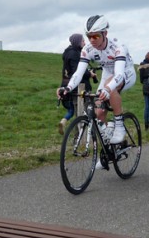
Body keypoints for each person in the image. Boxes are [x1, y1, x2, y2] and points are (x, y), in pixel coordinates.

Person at [57, 15, 136, 147]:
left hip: (125, 72)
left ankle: (119, 126)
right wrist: (68, 88)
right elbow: (78, 72)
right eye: (89, 36)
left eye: (96, 36)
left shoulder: (118, 46)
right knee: (98, 112)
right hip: (107, 74)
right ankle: (109, 149)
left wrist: (108, 89)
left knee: (109, 87)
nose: (92, 40)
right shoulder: (87, 50)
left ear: (105, 33)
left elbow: (119, 74)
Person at [58, 33, 94, 134]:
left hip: (67, 84)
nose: (85, 42)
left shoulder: (67, 52)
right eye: (83, 41)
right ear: (78, 42)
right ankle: (80, 138)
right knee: (83, 113)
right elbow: (77, 72)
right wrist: (89, 74)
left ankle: (78, 136)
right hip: (78, 87)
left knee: (76, 112)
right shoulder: (75, 54)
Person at [138, 51, 149, 129]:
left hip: (145, 86)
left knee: (147, 106)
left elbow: (141, 79)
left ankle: (146, 125)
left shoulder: (141, 65)